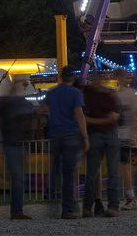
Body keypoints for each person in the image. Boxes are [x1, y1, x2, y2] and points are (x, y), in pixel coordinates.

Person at [45, 65, 90, 219]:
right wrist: (85, 137)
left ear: (61, 77)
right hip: (70, 135)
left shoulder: (52, 93)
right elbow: (79, 114)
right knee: (69, 175)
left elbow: (41, 110)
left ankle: (51, 203)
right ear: (73, 78)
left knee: (55, 171)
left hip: (54, 135)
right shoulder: (76, 93)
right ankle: (67, 210)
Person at [0, 89, 36, 220]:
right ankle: (16, 211)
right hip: (14, 143)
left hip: (16, 143)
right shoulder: (17, 104)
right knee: (18, 178)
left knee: (19, 178)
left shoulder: (7, 103)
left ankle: (17, 210)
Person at [81, 75, 122, 217]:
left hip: (96, 134)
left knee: (93, 172)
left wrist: (92, 121)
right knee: (111, 172)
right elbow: (116, 115)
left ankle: (88, 207)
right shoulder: (109, 93)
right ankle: (113, 206)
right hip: (109, 132)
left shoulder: (88, 93)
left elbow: (87, 119)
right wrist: (106, 120)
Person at [114, 72, 137, 209]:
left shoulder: (129, 94)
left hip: (124, 135)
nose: (119, 79)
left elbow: (134, 116)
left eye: (120, 76)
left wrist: (132, 135)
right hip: (117, 134)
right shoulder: (117, 94)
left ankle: (131, 197)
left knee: (123, 166)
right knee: (121, 166)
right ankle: (129, 196)